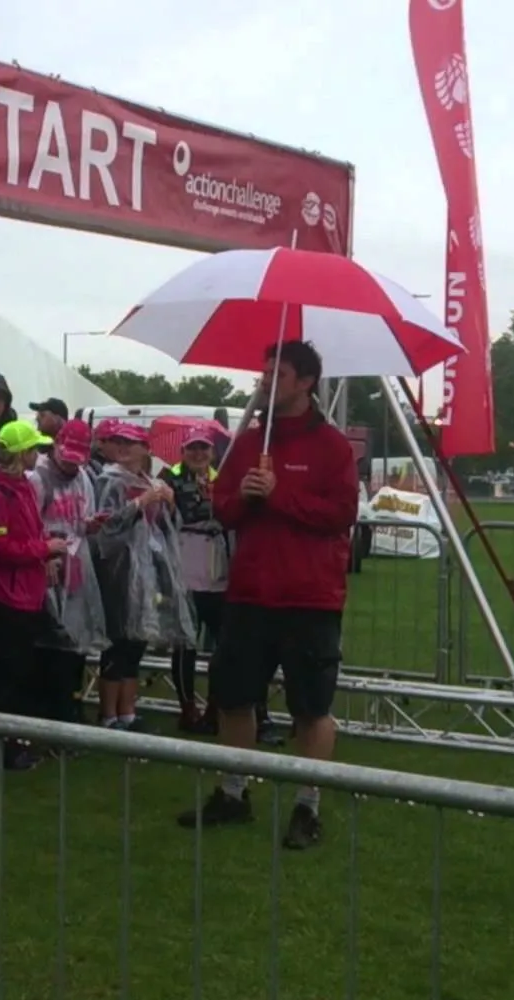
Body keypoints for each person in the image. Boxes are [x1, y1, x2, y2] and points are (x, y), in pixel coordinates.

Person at [179, 340, 359, 851]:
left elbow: (341, 514)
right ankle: (233, 792)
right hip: (250, 593)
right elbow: (226, 510)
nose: (265, 381)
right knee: (234, 697)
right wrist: (246, 498)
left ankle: (308, 805)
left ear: (306, 382)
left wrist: (281, 495)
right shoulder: (248, 441)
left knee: (311, 708)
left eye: (277, 374)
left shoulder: (332, 447)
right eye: (263, 372)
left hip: (310, 597)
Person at [91, 422, 193, 731]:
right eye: (118, 441)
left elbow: (167, 528)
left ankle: (128, 711)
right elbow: (103, 527)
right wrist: (139, 503)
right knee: (117, 641)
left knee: (136, 641)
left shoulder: (150, 481)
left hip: (147, 570)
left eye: (130, 442)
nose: (123, 447)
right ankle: (109, 714)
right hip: (118, 572)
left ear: (144, 449)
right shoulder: (108, 481)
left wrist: (170, 505)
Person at [0, 420, 58, 769]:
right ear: (21, 453)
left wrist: (44, 548)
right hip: (3, 597)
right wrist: (44, 548)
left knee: (16, 673)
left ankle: (13, 743)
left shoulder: (20, 487)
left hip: (24, 595)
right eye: (34, 448)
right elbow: (0, 545)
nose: (39, 453)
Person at [28, 419, 108, 726]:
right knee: (49, 640)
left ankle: (69, 706)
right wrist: (44, 555)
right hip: (48, 565)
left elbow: (83, 517)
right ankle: (48, 711)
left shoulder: (83, 477)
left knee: (75, 639)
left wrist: (91, 524)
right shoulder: (38, 477)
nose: (72, 466)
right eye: (68, 458)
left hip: (77, 564)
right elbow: (31, 522)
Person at [166, 425, 227, 736]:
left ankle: (215, 707)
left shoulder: (223, 479)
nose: (198, 454)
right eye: (192, 448)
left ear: (213, 452)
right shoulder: (171, 479)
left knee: (221, 647)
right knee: (184, 645)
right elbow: (187, 511)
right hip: (185, 572)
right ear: (183, 452)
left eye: (204, 448)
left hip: (218, 573)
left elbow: (230, 512)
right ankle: (186, 707)